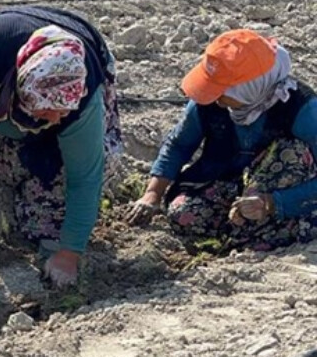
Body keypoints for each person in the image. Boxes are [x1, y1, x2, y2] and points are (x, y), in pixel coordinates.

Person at [0, 6, 122, 287]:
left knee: (55, 211)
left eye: (60, 112)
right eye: (46, 110)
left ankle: (33, 177)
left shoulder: (81, 99)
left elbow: (85, 177)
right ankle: (6, 151)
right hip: (0, 86)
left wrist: (68, 254)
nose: (55, 118)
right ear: (24, 86)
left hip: (83, 66)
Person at [127, 30, 317, 249]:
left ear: (247, 89)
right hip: (225, 182)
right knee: (183, 215)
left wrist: (272, 203)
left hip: (282, 193)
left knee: (291, 151)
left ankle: (272, 226)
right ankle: (249, 233)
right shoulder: (208, 102)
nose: (214, 97)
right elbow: (179, 144)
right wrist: (152, 194)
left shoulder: (303, 110)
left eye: (221, 90)